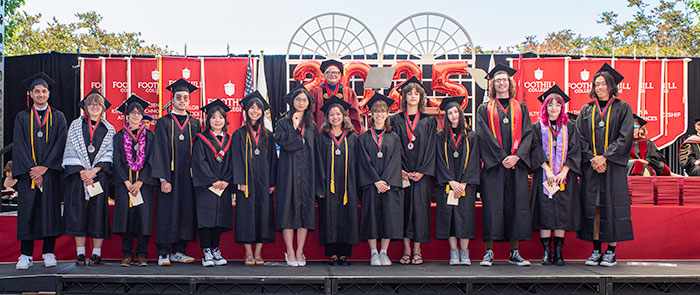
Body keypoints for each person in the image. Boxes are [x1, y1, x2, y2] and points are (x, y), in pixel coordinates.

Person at [576, 63, 634, 267]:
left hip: (612, 167)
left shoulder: (623, 108)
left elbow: (625, 136)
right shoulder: (586, 109)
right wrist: (593, 158)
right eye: (596, 83)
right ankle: (595, 250)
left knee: (612, 207)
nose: (600, 87)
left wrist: (605, 157)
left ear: (611, 86)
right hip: (592, 167)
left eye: (603, 84)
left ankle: (611, 251)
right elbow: (579, 138)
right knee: (594, 207)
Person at [476, 63, 533, 267]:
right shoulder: (484, 109)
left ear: (510, 83)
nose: (501, 83)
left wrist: (516, 157)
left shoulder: (521, 107)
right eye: (497, 80)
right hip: (494, 167)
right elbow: (484, 136)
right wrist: (502, 157)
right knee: (492, 207)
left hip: (516, 166)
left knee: (516, 207)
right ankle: (489, 251)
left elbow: (528, 135)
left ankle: (514, 252)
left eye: (504, 80)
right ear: (493, 84)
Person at [13, 73, 67, 270]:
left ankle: (48, 252)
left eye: (44, 91)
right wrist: (33, 171)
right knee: (28, 212)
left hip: (50, 175)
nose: (41, 94)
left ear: (49, 93)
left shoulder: (59, 117)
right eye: (37, 91)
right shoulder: (22, 117)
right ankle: (26, 255)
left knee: (49, 212)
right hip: (28, 176)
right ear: (30, 93)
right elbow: (19, 146)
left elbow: (61, 144)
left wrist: (45, 168)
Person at [529, 85, 581, 266]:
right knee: (545, 212)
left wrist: (564, 171)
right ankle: (546, 252)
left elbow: (575, 151)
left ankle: (558, 251)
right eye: (550, 105)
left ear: (562, 108)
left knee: (562, 213)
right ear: (545, 107)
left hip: (564, 179)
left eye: (557, 105)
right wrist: (548, 170)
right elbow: (534, 149)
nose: (553, 108)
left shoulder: (570, 128)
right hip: (544, 177)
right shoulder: (537, 127)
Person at [150, 79, 201, 266]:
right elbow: (159, 151)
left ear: (189, 101)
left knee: (186, 212)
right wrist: (163, 178)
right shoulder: (163, 122)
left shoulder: (195, 123)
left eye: (185, 98)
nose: (182, 101)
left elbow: (200, 153)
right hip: (170, 178)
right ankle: (163, 252)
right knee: (167, 213)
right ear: (172, 99)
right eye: (178, 97)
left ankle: (179, 251)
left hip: (188, 178)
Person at [62, 89, 115, 266]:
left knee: (98, 214)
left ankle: (96, 253)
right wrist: (83, 172)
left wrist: (94, 172)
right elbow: (70, 150)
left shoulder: (109, 129)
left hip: (99, 178)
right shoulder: (76, 126)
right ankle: (80, 253)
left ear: (102, 108)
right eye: (91, 103)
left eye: (97, 104)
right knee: (79, 214)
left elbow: (110, 154)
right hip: (79, 177)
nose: (94, 106)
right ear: (85, 106)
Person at [390, 76, 437, 265]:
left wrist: (423, 171)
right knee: (403, 211)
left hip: (421, 175)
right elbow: (391, 147)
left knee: (419, 211)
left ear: (421, 97)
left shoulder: (428, 120)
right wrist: (398, 169)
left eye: (416, 93)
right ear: (403, 97)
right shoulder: (395, 120)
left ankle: (418, 250)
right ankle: (406, 250)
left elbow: (433, 148)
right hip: (401, 174)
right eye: (409, 93)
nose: (413, 96)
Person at [356, 93, 403, 266]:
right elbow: (363, 162)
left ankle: (384, 252)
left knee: (388, 218)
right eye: (376, 111)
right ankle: (373, 252)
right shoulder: (363, 138)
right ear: (371, 114)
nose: (379, 114)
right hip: (371, 185)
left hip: (388, 186)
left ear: (387, 114)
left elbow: (395, 161)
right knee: (371, 218)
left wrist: (386, 181)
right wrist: (375, 180)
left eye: (383, 111)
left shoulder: (394, 137)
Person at [274, 85, 317, 267]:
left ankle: (300, 251)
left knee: (305, 212)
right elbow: (285, 143)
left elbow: (313, 150)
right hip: (287, 173)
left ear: (308, 104)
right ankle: (289, 251)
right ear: (292, 102)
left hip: (307, 173)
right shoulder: (282, 123)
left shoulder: (312, 125)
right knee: (287, 211)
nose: (301, 102)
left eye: (304, 100)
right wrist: (294, 126)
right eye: (298, 99)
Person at [232, 91, 277, 266]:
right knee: (246, 215)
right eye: (251, 107)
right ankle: (248, 253)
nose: (255, 111)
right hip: (247, 183)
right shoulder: (239, 134)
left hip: (264, 181)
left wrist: (272, 182)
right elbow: (235, 158)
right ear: (246, 110)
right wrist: (240, 181)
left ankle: (258, 252)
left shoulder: (268, 135)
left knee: (264, 215)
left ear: (262, 112)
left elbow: (274, 159)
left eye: (258, 108)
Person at [435, 96, 480, 266]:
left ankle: (464, 252)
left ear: (461, 114)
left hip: (465, 186)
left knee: (465, 217)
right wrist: (450, 181)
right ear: (446, 117)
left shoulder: (472, 136)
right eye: (450, 113)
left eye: (456, 112)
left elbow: (475, 160)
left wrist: (464, 183)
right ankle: (454, 252)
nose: (453, 116)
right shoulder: (440, 137)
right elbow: (438, 160)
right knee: (450, 218)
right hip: (447, 186)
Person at [112, 95, 156, 267]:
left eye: (139, 113)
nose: (136, 115)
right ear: (127, 115)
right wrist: (126, 182)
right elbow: (116, 161)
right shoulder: (119, 136)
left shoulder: (150, 137)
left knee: (143, 219)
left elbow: (152, 160)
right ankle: (128, 254)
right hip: (125, 186)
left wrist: (140, 181)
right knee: (127, 219)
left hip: (143, 186)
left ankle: (142, 254)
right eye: (133, 112)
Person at [315, 96, 359, 266]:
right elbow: (318, 164)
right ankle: (332, 254)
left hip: (349, 186)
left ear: (344, 116)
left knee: (347, 217)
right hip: (329, 186)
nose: (335, 117)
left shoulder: (352, 138)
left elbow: (358, 164)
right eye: (332, 115)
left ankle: (344, 254)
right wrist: (320, 187)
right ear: (327, 118)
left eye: (338, 114)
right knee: (329, 218)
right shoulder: (322, 138)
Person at [191, 99, 234, 267]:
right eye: (214, 117)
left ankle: (216, 249)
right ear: (208, 120)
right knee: (206, 219)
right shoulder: (201, 139)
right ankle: (206, 251)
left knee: (219, 219)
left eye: (221, 117)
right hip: (206, 186)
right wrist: (213, 180)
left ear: (225, 120)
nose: (217, 120)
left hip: (223, 186)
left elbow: (233, 162)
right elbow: (198, 162)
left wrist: (226, 180)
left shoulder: (230, 139)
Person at [310, 59, 364, 134]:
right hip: (321, 136)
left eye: (336, 72)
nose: (332, 74)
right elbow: (310, 114)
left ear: (340, 75)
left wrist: (353, 134)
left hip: (344, 135)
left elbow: (355, 114)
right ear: (324, 75)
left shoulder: (348, 92)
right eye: (329, 72)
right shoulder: (315, 92)